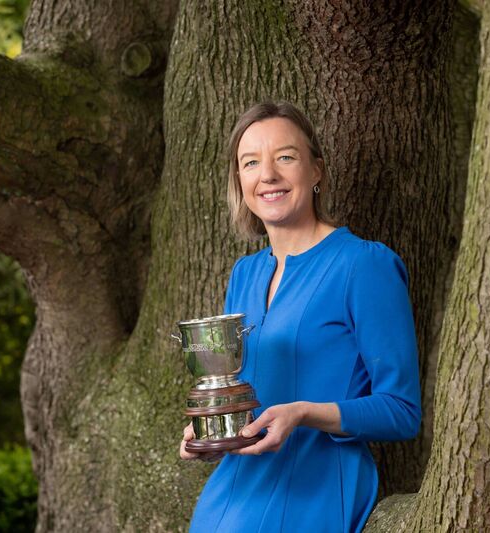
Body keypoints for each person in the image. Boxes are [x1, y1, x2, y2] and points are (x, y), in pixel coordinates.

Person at [180, 101, 421, 533]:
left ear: (316, 171)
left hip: (316, 491)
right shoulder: (245, 273)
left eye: (285, 157)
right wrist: (213, 432)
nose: (267, 174)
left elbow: (402, 411)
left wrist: (304, 413)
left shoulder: (363, 265)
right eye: (250, 162)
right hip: (227, 500)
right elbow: (242, 396)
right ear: (240, 181)